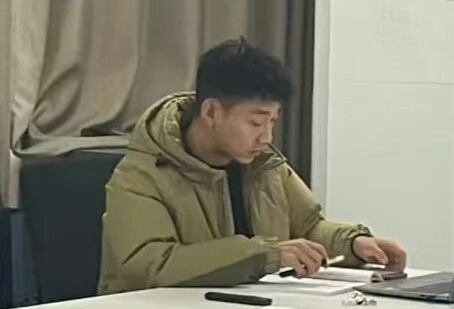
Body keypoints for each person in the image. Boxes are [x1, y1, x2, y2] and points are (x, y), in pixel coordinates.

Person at [100, 38, 406, 294]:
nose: (267, 137)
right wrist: (265, 255)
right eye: (256, 123)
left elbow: (308, 227)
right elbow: (151, 265)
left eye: (273, 121)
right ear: (212, 112)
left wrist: (353, 244)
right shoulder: (143, 174)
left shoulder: (265, 166)